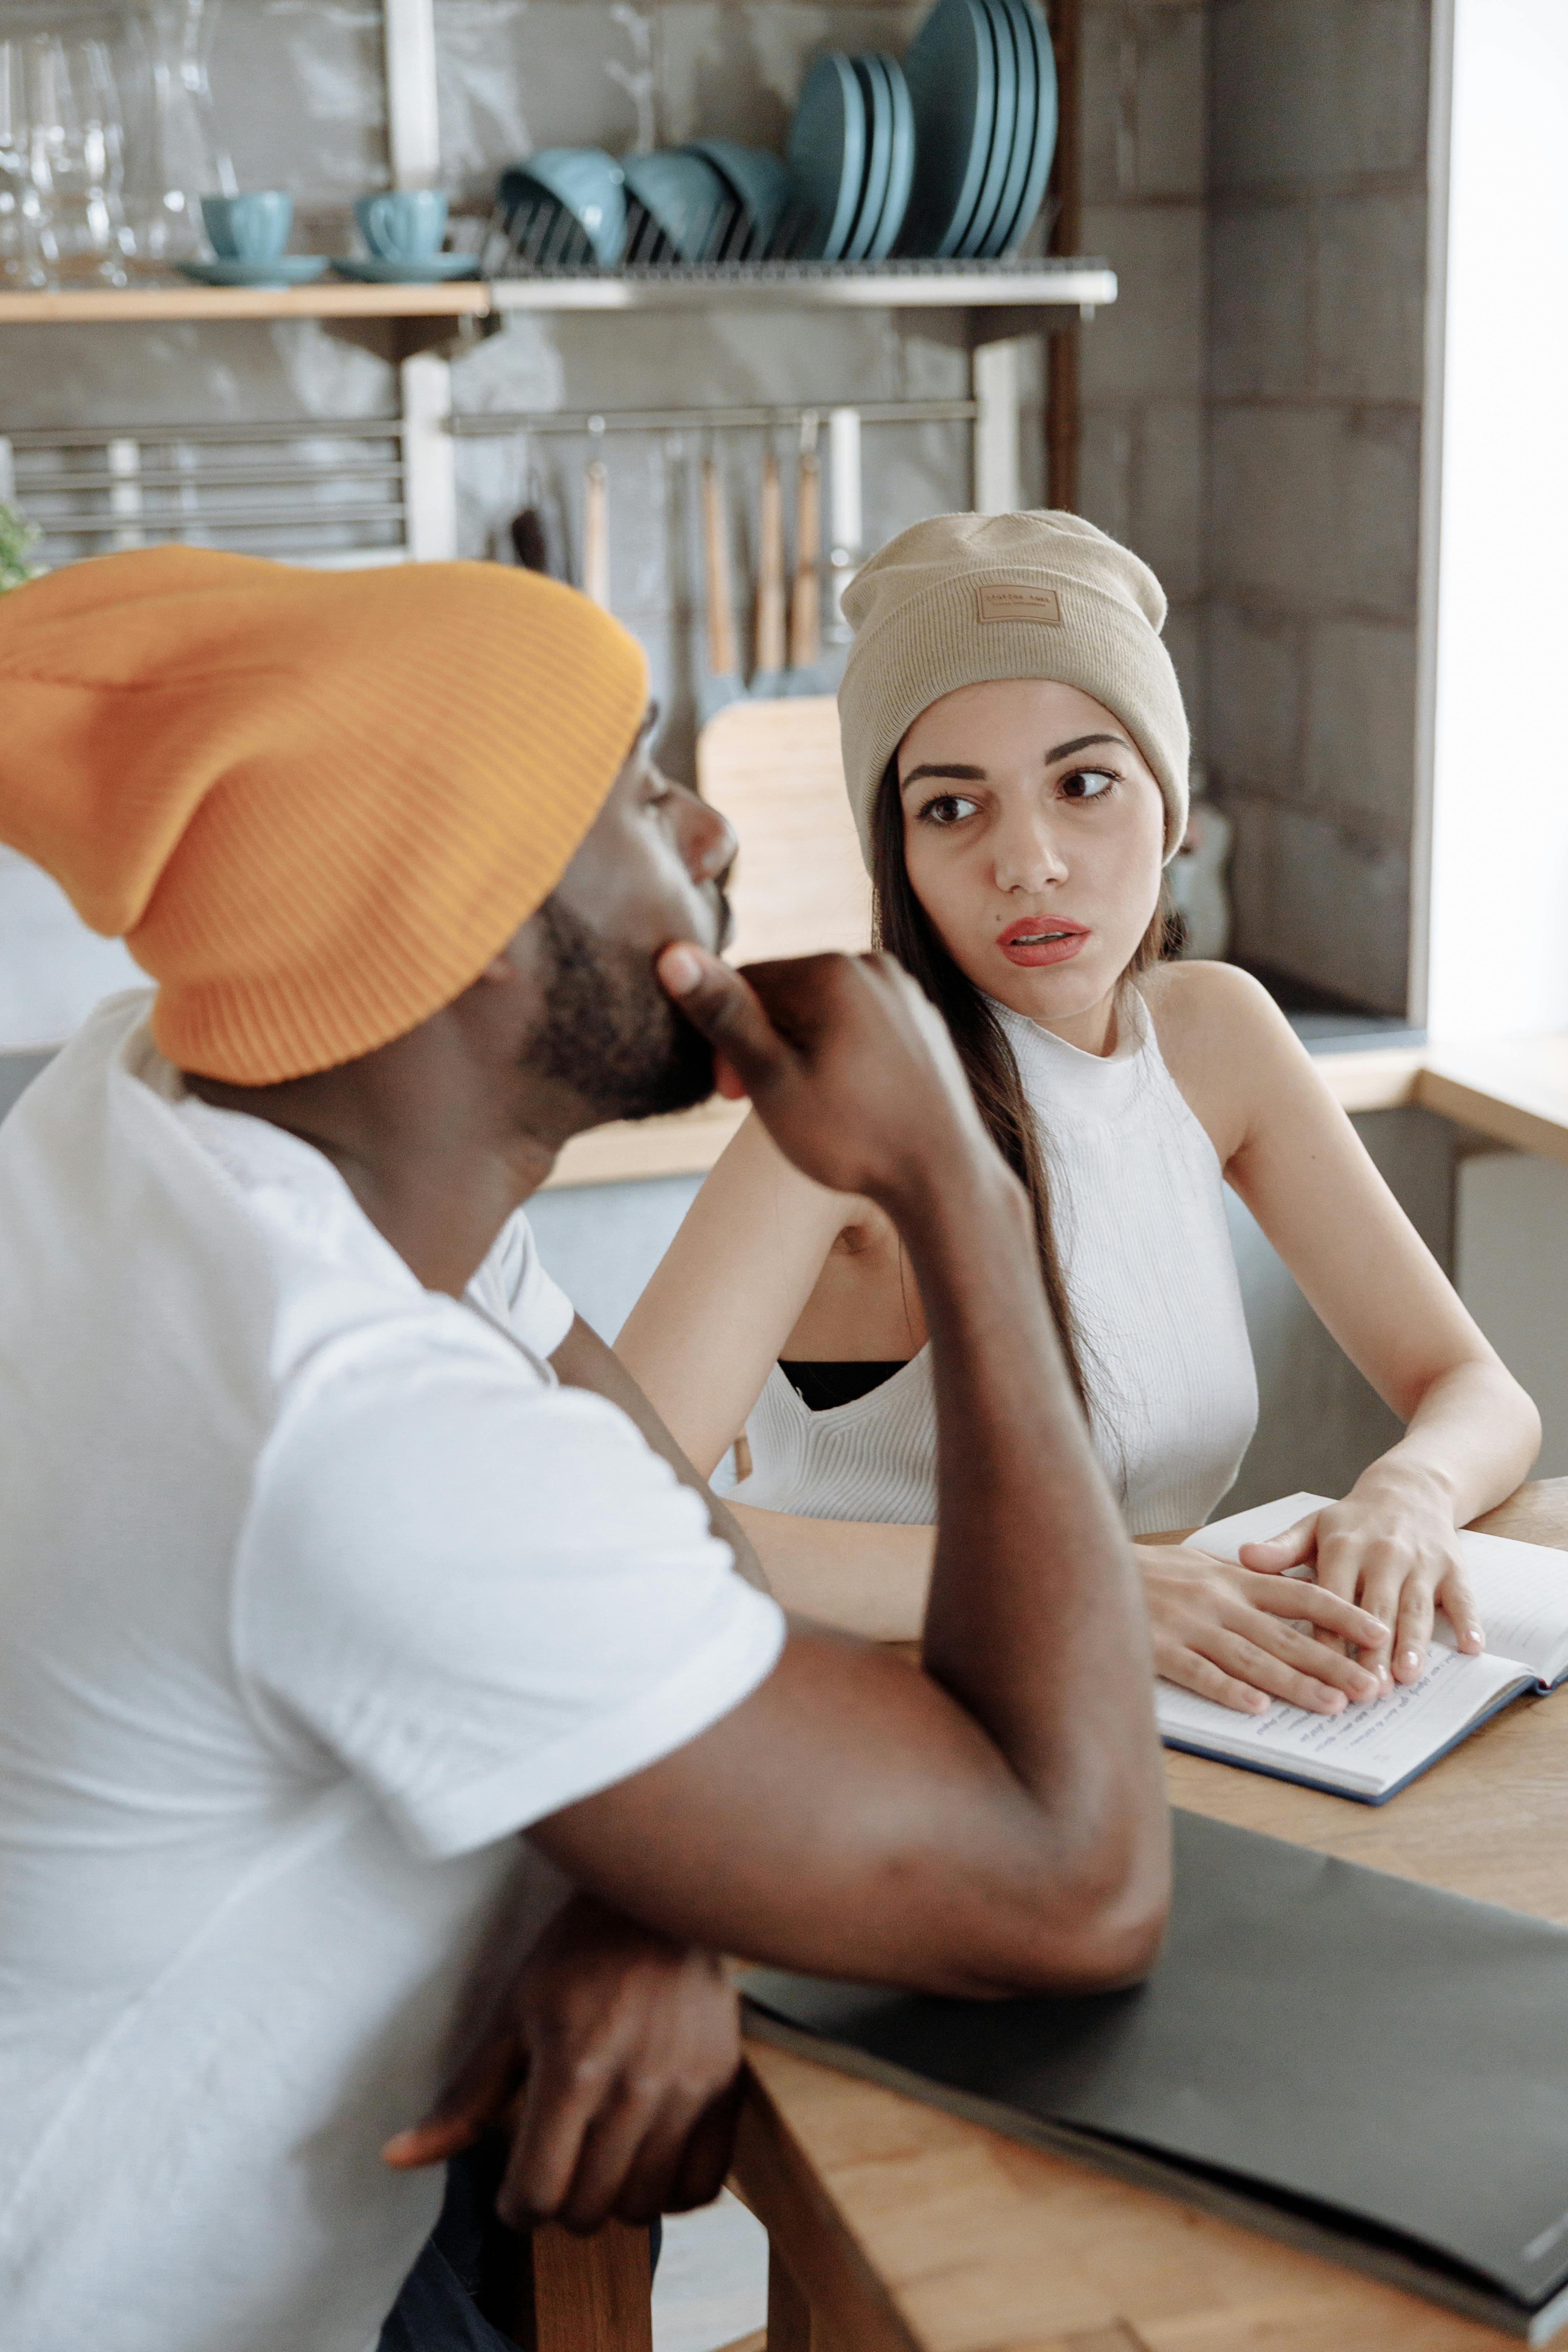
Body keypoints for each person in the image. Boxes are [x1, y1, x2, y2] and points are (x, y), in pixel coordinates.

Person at [0, 546, 1169, 2352]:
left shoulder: (169, 1105)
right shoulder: (349, 1417)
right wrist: (960, 1192)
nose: (704, 823)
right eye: (630, 789)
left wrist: (669, 1859)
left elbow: (674, 1544)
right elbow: (1073, 1878)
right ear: (462, 937)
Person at [618, 512, 1540, 1713]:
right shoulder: (840, 1097)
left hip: (1161, 1721)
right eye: (954, 807)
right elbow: (621, 1516)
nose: (1031, 861)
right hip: (873, 1736)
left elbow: (1475, 1389)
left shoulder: (1214, 1036)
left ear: (1169, 805)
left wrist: (1410, 1494)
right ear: (896, 846)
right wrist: (1078, 1580)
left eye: (1085, 783)